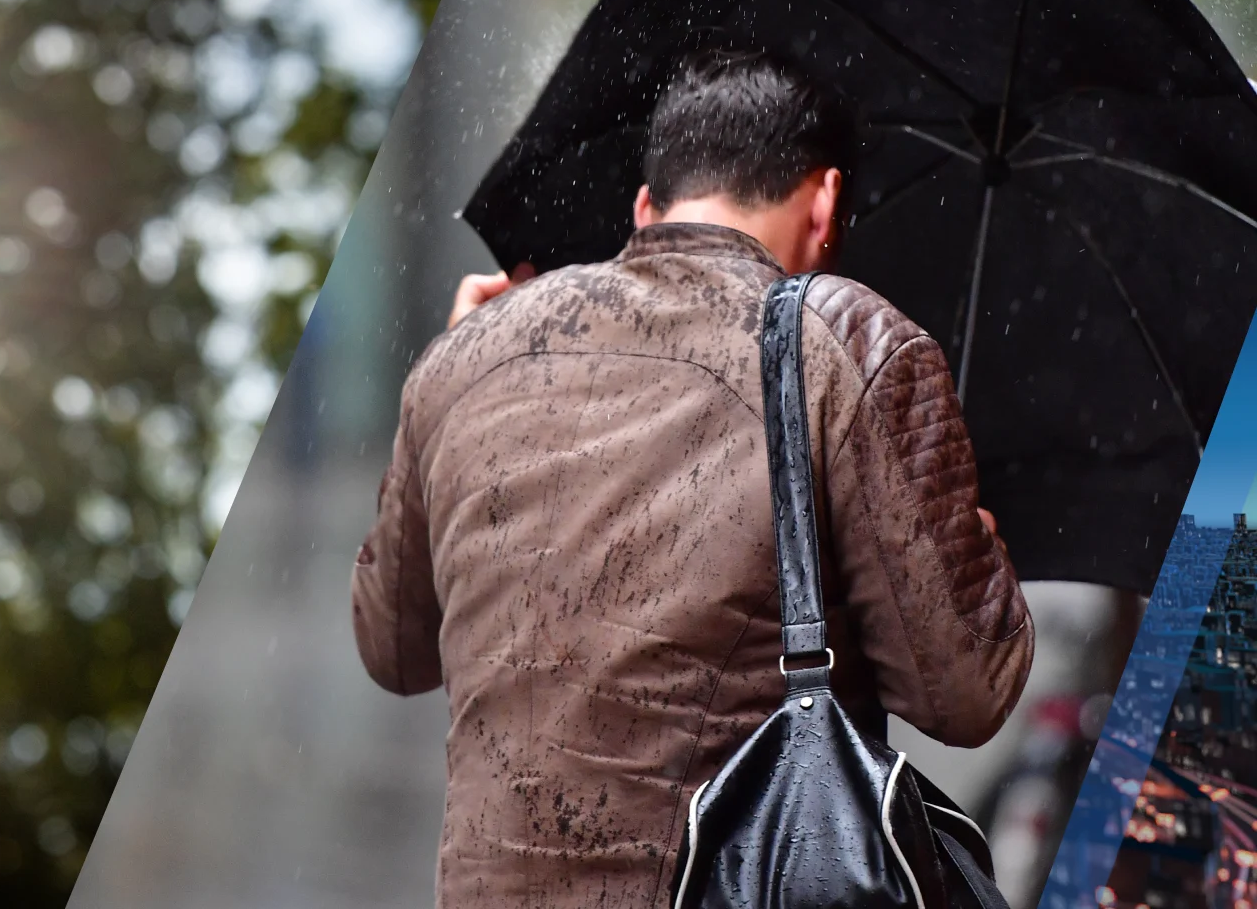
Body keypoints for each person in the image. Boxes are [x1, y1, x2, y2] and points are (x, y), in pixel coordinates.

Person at [351, 49, 1033, 907]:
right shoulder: (847, 342)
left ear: (646, 207)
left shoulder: (462, 360)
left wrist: (448, 368)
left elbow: (394, 649)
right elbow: (965, 696)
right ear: (825, 200)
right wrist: (975, 549)